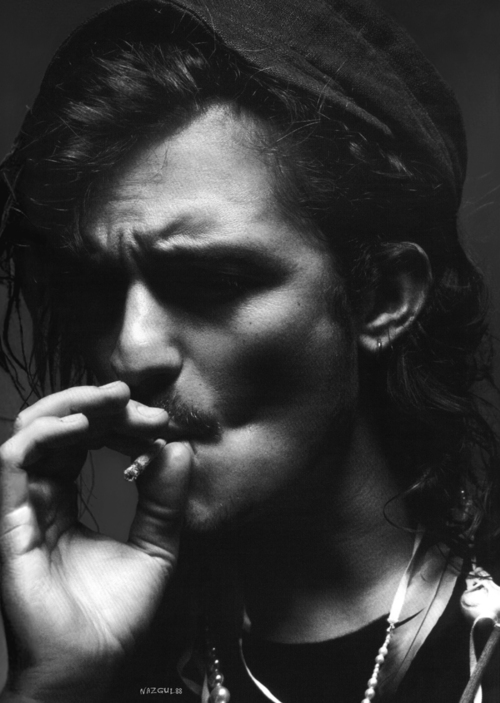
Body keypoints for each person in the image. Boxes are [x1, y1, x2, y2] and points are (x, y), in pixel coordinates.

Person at [0, 0, 499, 701]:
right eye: (100, 288)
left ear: (382, 296)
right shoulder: (110, 650)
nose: (130, 350)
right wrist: (60, 680)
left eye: (212, 282)